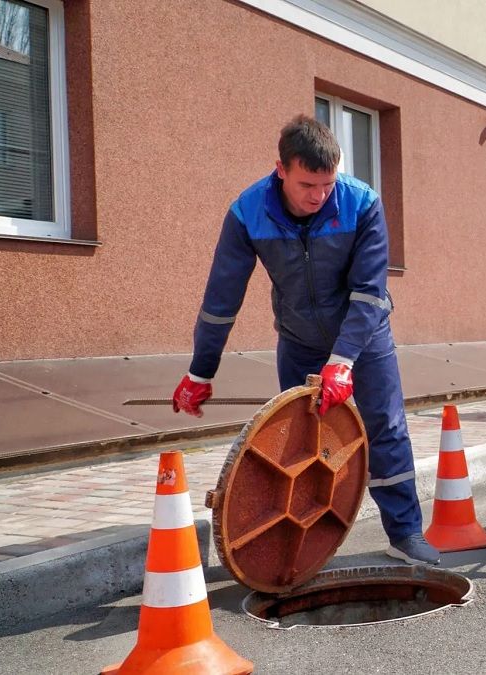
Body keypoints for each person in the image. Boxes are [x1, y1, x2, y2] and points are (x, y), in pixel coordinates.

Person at [171, 114, 439, 565]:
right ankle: (302, 544)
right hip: (297, 340)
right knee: (299, 443)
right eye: (307, 185)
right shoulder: (247, 213)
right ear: (281, 169)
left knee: (386, 428)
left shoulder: (362, 204)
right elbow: (222, 297)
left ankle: (406, 533)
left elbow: (370, 293)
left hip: (364, 338)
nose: (318, 196)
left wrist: (344, 359)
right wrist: (201, 369)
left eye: (327, 184)